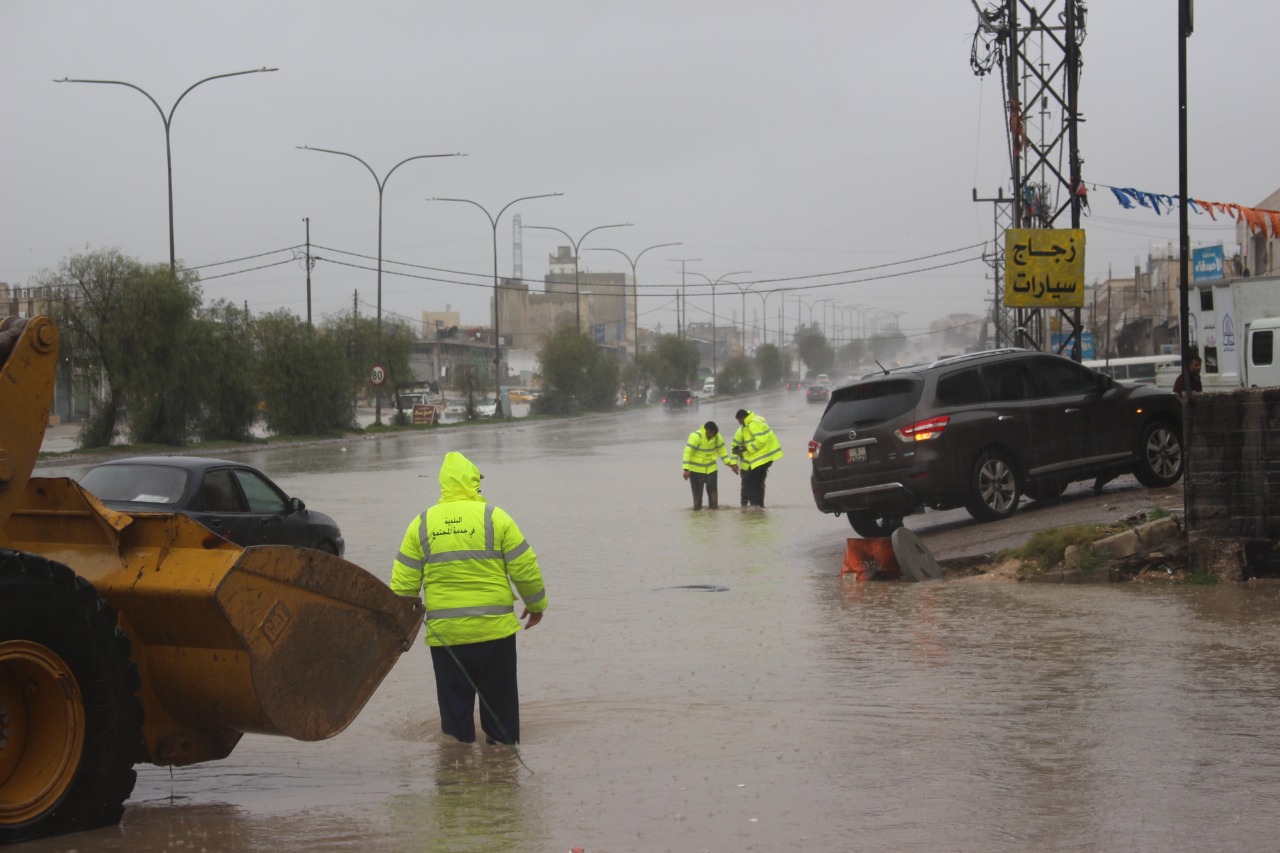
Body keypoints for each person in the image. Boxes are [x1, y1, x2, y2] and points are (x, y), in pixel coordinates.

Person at [390, 451, 547, 745]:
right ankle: (503, 778)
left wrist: (397, 628)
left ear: (443, 485)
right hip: (495, 635)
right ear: (475, 483)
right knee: (501, 718)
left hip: (447, 639)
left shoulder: (422, 524)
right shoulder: (495, 518)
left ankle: (456, 776)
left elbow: (402, 588)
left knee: (455, 727)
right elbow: (525, 567)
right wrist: (536, 605)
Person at [734, 408, 784, 507]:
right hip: (765, 458)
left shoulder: (753, 424)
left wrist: (746, 447)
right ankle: (760, 507)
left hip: (762, 458)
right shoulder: (754, 422)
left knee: (747, 481)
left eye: (739, 421)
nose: (739, 423)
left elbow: (760, 441)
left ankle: (755, 506)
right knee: (757, 482)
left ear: (743, 417)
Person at [682, 420, 736, 510]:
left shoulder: (717, 437)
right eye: (711, 433)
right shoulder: (696, 436)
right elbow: (687, 452)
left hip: (711, 470)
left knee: (713, 496)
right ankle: (697, 516)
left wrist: (730, 464)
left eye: (714, 434)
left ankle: (713, 517)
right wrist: (686, 469)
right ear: (706, 430)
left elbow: (722, 451)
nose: (712, 435)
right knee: (697, 497)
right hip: (696, 471)